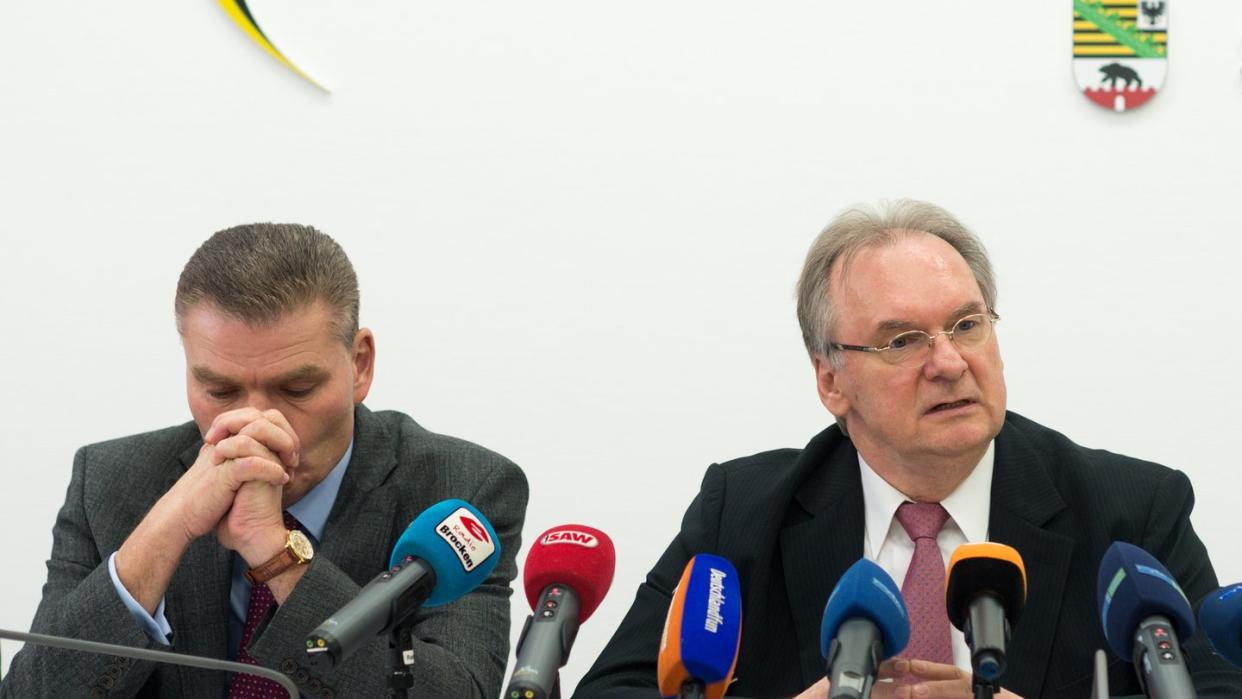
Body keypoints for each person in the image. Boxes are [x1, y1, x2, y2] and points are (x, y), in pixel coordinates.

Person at [574, 201, 1242, 698]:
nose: (950, 361)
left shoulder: (1129, 512)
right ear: (832, 380)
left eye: (966, 324)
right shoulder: (744, 511)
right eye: (903, 340)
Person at [0, 224, 528, 698]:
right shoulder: (111, 481)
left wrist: (274, 552)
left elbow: (451, 690)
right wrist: (165, 529)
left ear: (360, 365)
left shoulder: (462, 490)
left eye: (296, 387)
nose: (258, 422)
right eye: (220, 389)